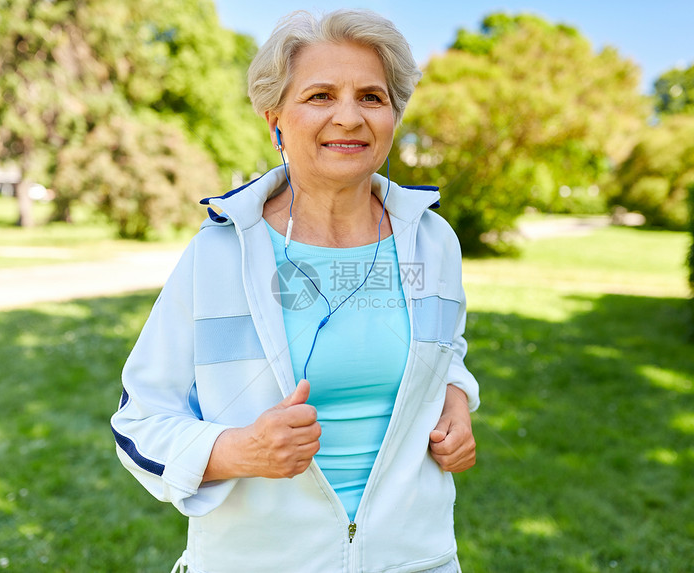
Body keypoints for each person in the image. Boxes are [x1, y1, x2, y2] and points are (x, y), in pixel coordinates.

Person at [110, 9, 480, 573]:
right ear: (275, 118)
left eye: (372, 97)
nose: (349, 117)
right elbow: (139, 421)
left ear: (394, 114)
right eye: (320, 96)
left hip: (416, 559)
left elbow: (445, 348)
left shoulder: (431, 240)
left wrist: (455, 397)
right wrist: (241, 451)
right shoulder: (219, 254)